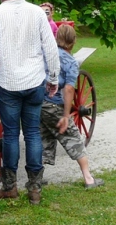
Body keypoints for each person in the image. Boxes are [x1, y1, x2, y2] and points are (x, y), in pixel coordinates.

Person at [0, 0, 59, 204]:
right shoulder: (36, 12)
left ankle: (9, 186)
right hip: (34, 81)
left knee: (11, 134)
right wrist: (53, 78)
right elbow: (51, 48)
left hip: (8, 82)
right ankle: (34, 189)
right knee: (33, 133)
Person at [40, 25, 104, 189]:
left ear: (56, 38)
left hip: (38, 102)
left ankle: (36, 179)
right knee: (73, 137)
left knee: (43, 139)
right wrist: (66, 115)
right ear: (74, 41)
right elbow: (69, 89)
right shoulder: (70, 62)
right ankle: (89, 178)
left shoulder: (46, 54)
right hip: (54, 104)